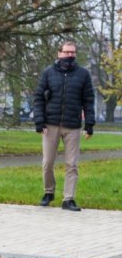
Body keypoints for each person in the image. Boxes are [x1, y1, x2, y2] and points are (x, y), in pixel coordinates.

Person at [33, 41, 95, 211]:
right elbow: (38, 98)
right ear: (59, 53)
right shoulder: (48, 73)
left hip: (73, 126)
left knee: (72, 164)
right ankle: (48, 192)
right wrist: (39, 122)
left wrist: (89, 124)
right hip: (50, 125)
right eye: (67, 52)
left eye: (73, 52)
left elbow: (88, 101)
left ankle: (68, 199)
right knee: (47, 163)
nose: (70, 55)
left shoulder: (83, 74)